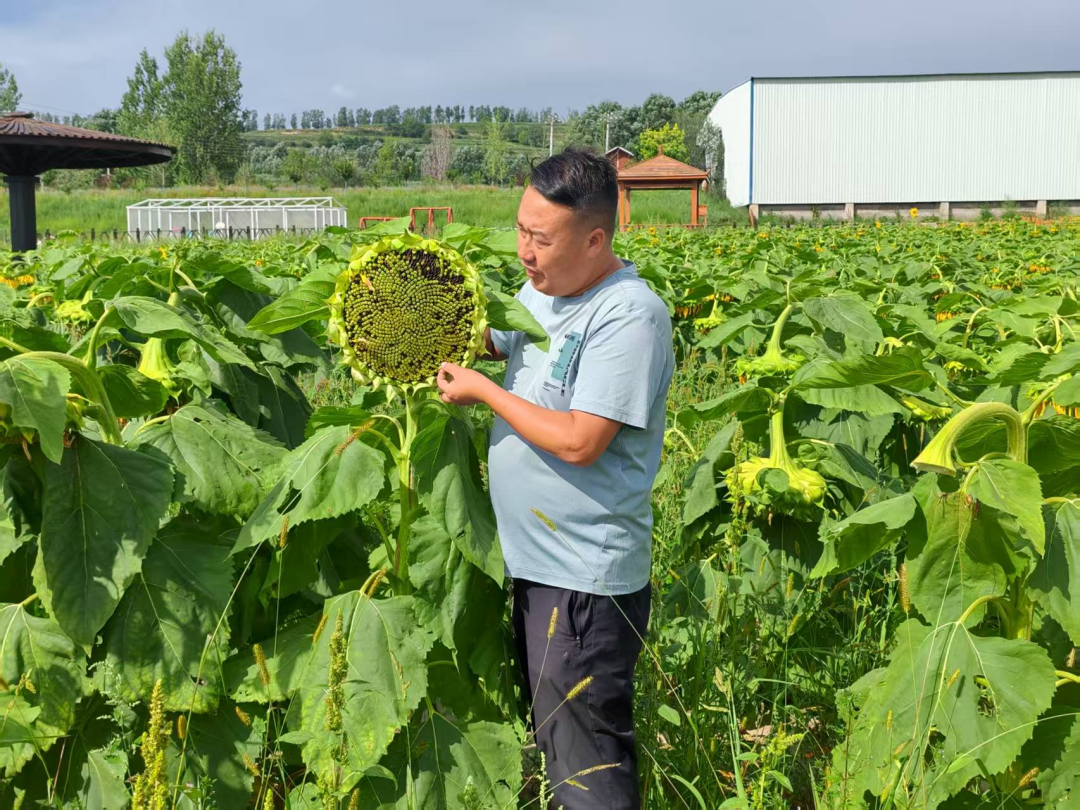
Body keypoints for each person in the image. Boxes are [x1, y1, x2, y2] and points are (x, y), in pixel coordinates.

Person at [436, 148, 674, 809]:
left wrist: (484, 392)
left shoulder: (628, 316)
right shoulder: (539, 294)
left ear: (595, 239)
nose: (525, 252)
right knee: (563, 747)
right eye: (520, 230)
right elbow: (500, 341)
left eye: (541, 239)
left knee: (586, 766)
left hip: (583, 583)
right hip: (537, 569)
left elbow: (579, 441)